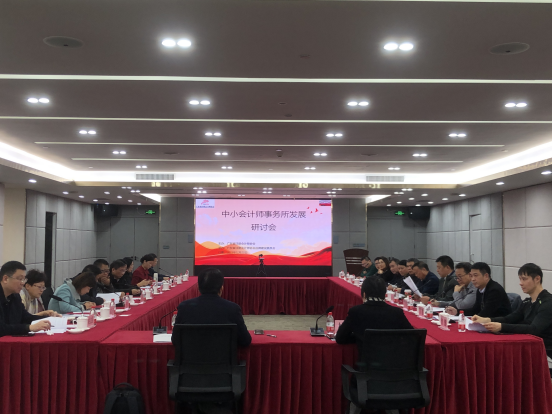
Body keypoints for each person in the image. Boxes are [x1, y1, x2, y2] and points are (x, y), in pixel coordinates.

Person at [473, 263, 552, 358]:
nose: (520, 283)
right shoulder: (527, 302)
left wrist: (501, 327)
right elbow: (509, 318)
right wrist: (487, 320)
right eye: (520, 279)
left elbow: (534, 329)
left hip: (545, 349)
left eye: (524, 279)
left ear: (537, 279)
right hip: (530, 346)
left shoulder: (547, 303)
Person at [172, 268, 252, 347]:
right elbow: (245, 340)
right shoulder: (233, 308)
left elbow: (175, 340)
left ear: (198, 288)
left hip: (190, 355)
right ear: (221, 288)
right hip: (222, 355)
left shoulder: (184, 307)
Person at [336, 276, 413, 352]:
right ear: (385, 293)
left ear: (364, 294)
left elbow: (340, 338)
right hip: (393, 358)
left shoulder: (356, 311)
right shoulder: (396, 312)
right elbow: (412, 336)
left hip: (367, 359)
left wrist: (359, 337)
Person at [1, 261, 58, 337]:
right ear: (5, 279)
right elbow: (2, 328)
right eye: (20, 279)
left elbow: (25, 317)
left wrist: (50, 319)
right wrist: (29, 328)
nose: (23, 283)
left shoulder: (15, 296)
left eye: (24, 279)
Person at [446, 262, 511, 318]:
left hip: (499, 325)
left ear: (486, 276)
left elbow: (485, 314)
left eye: (475, 275)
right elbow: (475, 310)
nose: (473, 279)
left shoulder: (494, 290)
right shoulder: (480, 289)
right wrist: (457, 312)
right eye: (471, 276)